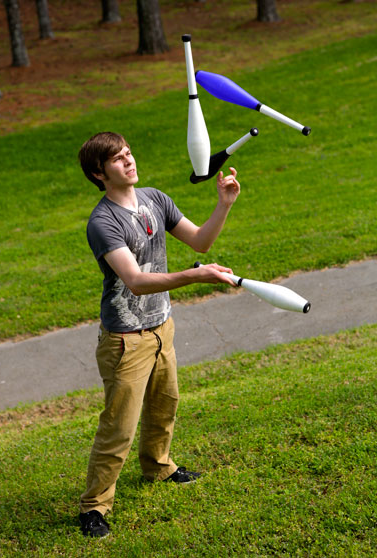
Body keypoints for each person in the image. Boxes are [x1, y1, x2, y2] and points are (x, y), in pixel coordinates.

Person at [77, 131, 240, 538]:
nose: (128, 161)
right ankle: (94, 507)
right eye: (117, 159)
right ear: (99, 174)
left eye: (129, 152)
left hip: (161, 326)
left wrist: (224, 205)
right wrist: (195, 277)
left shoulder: (155, 198)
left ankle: (158, 466)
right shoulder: (102, 223)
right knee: (119, 426)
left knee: (165, 405)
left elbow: (201, 242)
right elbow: (134, 280)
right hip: (125, 339)